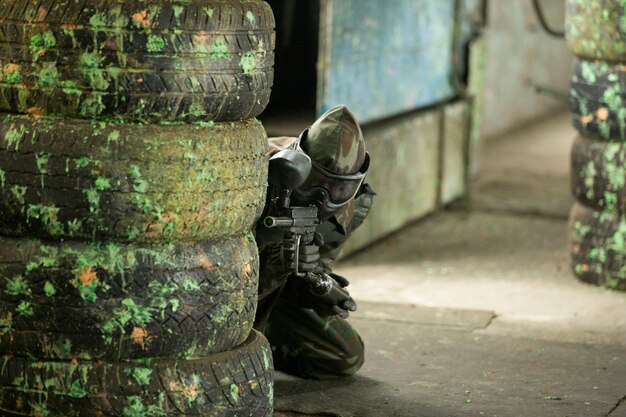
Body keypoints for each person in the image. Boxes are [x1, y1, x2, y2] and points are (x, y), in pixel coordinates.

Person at [254, 105, 375, 380]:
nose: (323, 197)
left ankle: (263, 345)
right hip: (232, 290)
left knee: (344, 357)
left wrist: (315, 289)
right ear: (296, 165)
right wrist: (271, 259)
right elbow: (216, 275)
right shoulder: (254, 178)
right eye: (314, 181)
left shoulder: (354, 206)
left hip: (273, 290)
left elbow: (315, 265)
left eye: (338, 189)